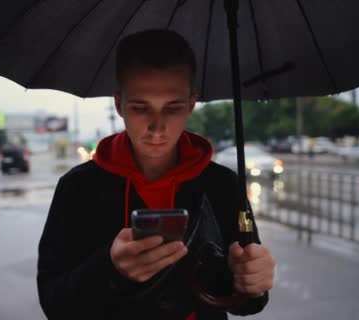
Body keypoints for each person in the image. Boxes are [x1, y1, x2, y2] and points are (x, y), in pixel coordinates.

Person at [37, 29, 274, 320]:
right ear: (118, 104)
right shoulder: (78, 188)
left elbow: (246, 303)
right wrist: (110, 269)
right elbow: (53, 303)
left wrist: (252, 284)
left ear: (190, 104)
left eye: (172, 108)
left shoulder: (222, 184)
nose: (157, 127)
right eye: (140, 108)